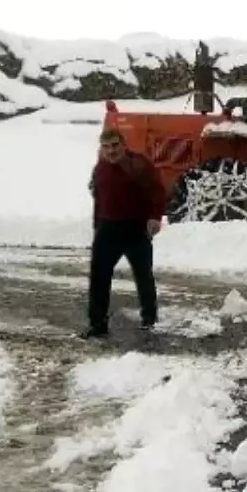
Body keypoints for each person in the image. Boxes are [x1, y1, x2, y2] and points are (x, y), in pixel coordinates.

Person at [82, 128, 166, 338]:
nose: (111, 151)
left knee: (143, 275)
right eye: (106, 146)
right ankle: (97, 324)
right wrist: (97, 226)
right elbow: (99, 199)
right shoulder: (100, 168)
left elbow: (158, 191)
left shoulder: (138, 164)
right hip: (107, 228)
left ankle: (150, 319)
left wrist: (155, 217)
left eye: (115, 146)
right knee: (99, 277)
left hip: (136, 228)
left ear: (124, 145)